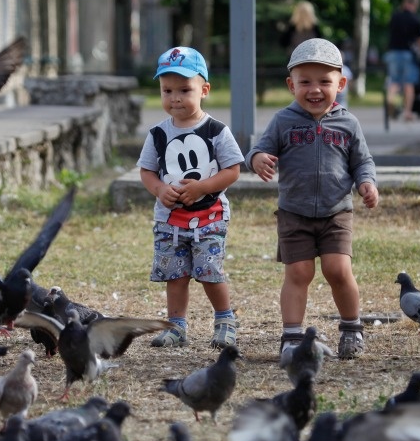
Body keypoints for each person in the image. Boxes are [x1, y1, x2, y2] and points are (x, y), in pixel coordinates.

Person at [246, 38, 379, 360]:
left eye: (325, 81)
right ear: (291, 85)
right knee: (299, 273)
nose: (315, 89)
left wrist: (366, 183)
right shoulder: (282, 121)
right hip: (294, 212)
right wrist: (258, 159)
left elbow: (363, 161)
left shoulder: (348, 123)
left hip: (336, 212)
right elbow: (256, 150)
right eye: (305, 82)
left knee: (338, 270)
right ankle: (292, 336)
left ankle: (351, 328)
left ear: (341, 83)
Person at [137, 46, 244, 349]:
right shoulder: (157, 133)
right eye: (167, 90)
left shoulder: (216, 131)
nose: (175, 98)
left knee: (209, 271)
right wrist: (159, 189)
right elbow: (146, 172)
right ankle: (176, 325)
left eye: (185, 89)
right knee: (176, 274)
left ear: (204, 90)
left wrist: (203, 187)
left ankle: (225, 320)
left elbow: (233, 170)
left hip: (209, 218)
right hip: (170, 220)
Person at [385, 0, 420, 121]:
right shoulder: (415, 19)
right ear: (414, 4)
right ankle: (407, 112)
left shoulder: (395, 16)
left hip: (392, 52)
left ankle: (390, 106)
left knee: (394, 82)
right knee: (409, 84)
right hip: (408, 53)